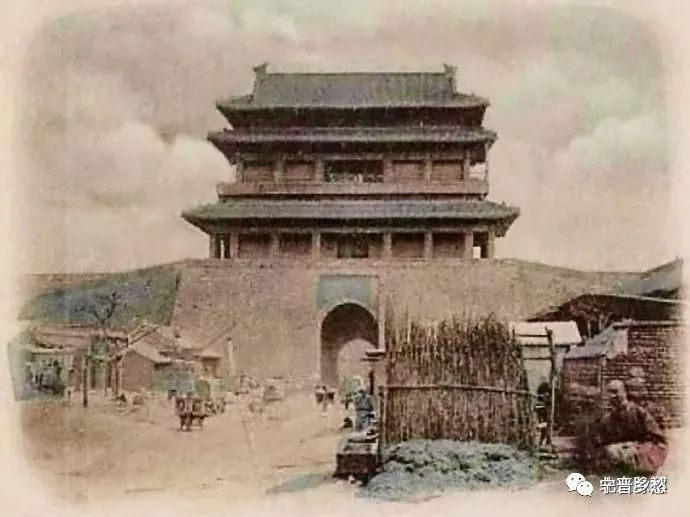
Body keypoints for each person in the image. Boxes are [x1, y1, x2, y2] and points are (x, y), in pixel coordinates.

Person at [591, 380, 667, 475]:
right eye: (609, 393)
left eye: (615, 392)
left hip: (641, 462)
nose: (613, 396)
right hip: (620, 466)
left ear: (624, 392)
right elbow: (600, 443)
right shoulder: (608, 420)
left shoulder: (639, 413)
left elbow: (658, 440)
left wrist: (635, 449)